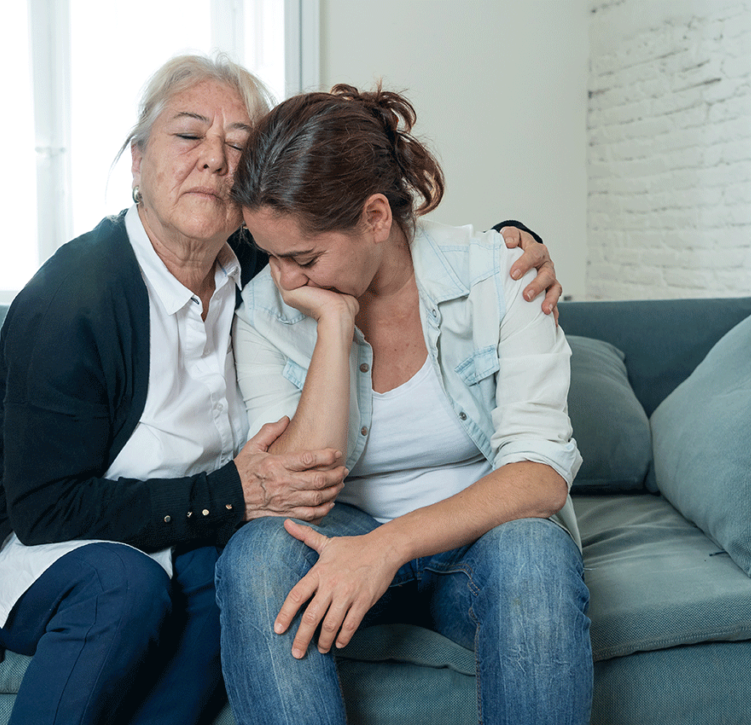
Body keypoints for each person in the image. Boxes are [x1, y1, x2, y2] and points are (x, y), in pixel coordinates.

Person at [0, 56, 561, 725]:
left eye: (238, 144)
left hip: (185, 535)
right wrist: (233, 493)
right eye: (188, 135)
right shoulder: (76, 298)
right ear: (135, 159)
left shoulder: (254, 264)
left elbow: (351, 225)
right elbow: (45, 508)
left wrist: (517, 242)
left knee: (218, 572)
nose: (215, 159)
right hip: (52, 536)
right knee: (152, 582)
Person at [216, 84, 592, 725]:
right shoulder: (266, 313)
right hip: (340, 534)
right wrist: (334, 327)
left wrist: (387, 547)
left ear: (375, 218)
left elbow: (540, 475)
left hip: (479, 540)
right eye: (270, 256)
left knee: (535, 552)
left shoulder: (500, 275)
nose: (283, 280)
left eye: (303, 257)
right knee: (254, 558)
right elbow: (297, 489)